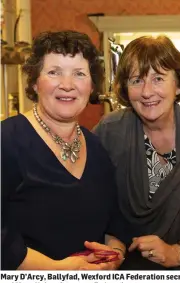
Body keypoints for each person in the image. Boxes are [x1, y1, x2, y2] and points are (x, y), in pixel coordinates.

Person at [1, 30, 125, 270]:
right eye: (54, 72)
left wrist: (114, 256)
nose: (67, 85)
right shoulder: (6, 141)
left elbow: (115, 223)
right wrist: (58, 270)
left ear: (91, 86)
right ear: (35, 82)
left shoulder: (97, 147)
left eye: (79, 74)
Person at [95, 35, 180, 270]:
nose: (147, 92)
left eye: (158, 78)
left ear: (178, 85)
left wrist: (178, 252)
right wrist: (114, 249)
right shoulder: (108, 132)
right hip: (125, 276)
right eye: (136, 80)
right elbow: (91, 207)